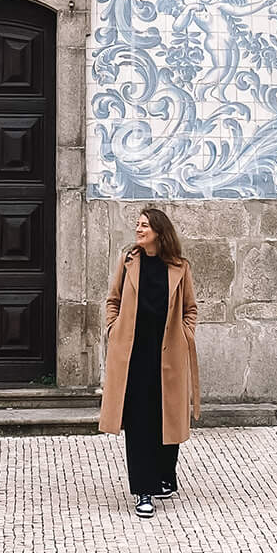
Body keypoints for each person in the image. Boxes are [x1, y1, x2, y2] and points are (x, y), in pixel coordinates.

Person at [99, 206, 199, 518]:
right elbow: (112, 300)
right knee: (140, 424)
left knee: (168, 419)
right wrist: (114, 328)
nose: (138, 230)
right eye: (138, 225)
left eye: (144, 225)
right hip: (133, 357)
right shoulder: (128, 263)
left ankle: (165, 474)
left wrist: (185, 335)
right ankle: (143, 489)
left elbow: (190, 309)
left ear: (159, 231)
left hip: (169, 356)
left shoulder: (180, 267)